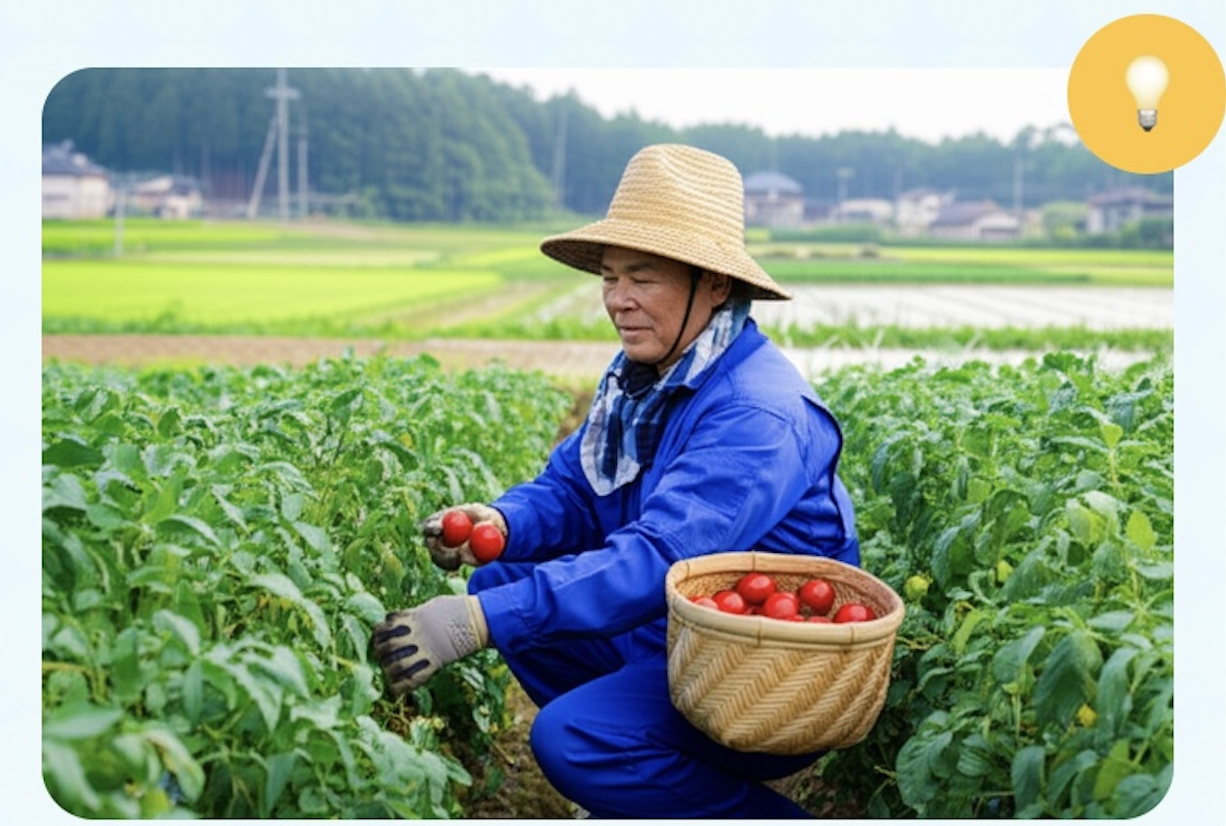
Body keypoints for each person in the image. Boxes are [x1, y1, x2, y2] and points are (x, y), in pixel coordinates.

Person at [372, 143, 860, 818]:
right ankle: (649, 782)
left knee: (572, 741)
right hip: (675, 635)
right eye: (609, 278)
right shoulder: (648, 377)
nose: (619, 301)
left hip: (763, 675)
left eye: (643, 278)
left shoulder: (757, 412)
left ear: (714, 284)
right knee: (500, 581)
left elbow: (660, 557)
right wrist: (502, 522)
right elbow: (574, 488)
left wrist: (477, 624)